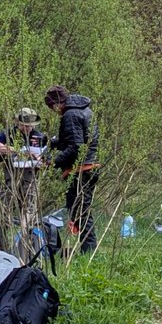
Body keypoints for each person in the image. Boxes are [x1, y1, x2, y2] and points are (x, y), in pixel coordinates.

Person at [45, 86, 100, 254]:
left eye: (52, 107)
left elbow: (76, 147)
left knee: (80, 211)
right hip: (90, 166)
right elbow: (76, 140)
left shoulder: (70, 115)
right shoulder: (85, 110)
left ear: (56, 103)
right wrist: (52, 143)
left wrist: (52, 162)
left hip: (80, 170)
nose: (54, 111)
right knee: (80, 210)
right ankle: (86, 249)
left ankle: (89, 251)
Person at [0, 109, 48, 259]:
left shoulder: (39, 136)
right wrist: (19, 151)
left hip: (30, 179)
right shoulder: (7, 134)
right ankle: (2, 245)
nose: (28, 128)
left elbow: (46, 156)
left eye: (30, 125)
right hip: (10, 177)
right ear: (17, 122)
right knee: (2, 212)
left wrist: (41, 160)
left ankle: (24, 246)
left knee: (29, 211)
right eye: (25, 125)